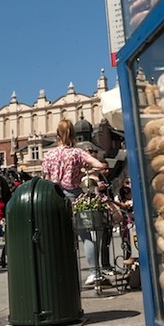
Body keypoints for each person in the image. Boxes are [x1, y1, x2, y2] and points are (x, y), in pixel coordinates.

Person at [41, 119, 109, 286]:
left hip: (53, 198)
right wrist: (86, 171)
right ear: (73, 135)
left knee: (57, 237)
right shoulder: (77, 153)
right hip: (74, 197)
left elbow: (46, 178)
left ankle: (59, 275)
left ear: (57, 135)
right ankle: (94, 272)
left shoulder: (49, 155)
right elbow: (100, 165)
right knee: (86, 236)